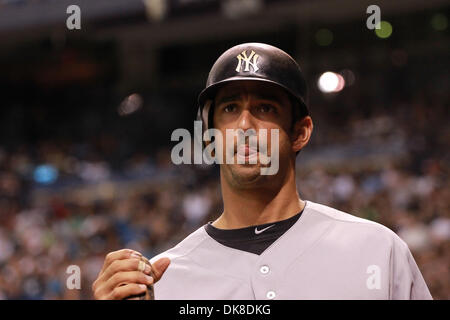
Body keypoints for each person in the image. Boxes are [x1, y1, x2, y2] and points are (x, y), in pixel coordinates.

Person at [92, 43, 432, 300]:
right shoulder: (160, 281)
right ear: (210, 141)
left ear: (300, 132)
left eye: (265, 107)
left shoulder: (376, 250)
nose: (245, 124)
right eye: (229, 108)